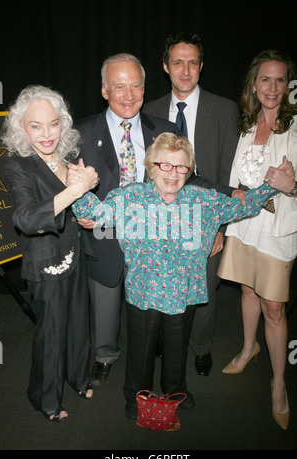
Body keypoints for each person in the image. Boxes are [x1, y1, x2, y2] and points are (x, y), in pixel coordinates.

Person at [71, 132, 293, 420]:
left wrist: (272, 187)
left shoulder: (204, 200)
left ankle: (176, 390)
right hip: (143, 293)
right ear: (152, 166)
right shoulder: (129, 197)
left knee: (177, 350)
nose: (173, 174)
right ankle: (136, 396)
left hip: (184, 293)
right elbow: (95, 214)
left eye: (181, 167)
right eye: (165, 165)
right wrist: (75, 187)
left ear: (189, 170)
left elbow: (246, 205)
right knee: (140, 352)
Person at [74, 53, 232, 386]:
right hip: (103, 235)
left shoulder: (165, 129)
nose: (128, 94)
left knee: (152, 313)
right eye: (119, 86)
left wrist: (232, 195)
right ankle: (105, 355)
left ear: (145, 88)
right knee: (105, 304)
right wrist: (79, 212)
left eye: (135, 85)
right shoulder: (81, 133)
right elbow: (66, 183)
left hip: (156, 242)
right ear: (104, 90)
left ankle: (153, 357)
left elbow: (190, 178)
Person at [144, 33, 240, 376]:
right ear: (166, 67)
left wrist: (221, 227)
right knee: (161, 283)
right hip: (161, 217)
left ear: (201, 67)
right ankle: (160, 342)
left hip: (206, 218)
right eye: (178, 62)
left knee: (206, 291)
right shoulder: (150, 111)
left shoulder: (225, 110)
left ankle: (201, 347)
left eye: (193, 62)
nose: (186, 70)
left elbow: (230, 174)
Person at [1, 85, 98, 422]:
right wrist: (76, 189)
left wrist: (86, 211)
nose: (46, 134)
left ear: (63, 124)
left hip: (75, 254)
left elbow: (74, 206)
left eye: (53, 123)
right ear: (21, 129)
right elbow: (26, 218)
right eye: (35, 125)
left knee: (79, 325)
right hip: (45, 264)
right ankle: (46, 400)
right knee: (51, 334)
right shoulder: (17, 167)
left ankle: (79, 378)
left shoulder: (67, 158)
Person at [217, 50, 297, 431]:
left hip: (278, 232)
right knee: (248, 292)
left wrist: (292, 186)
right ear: (254, 84)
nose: (272, 87)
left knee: (275, 308)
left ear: (288, 85)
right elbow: (235, 182)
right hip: (244, 225)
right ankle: (249, 349)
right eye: (266, 79)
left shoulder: (296, 128)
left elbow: (290, 187)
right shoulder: (246, 127)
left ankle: (278, 385)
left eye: (280, 79)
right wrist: (223, 218)